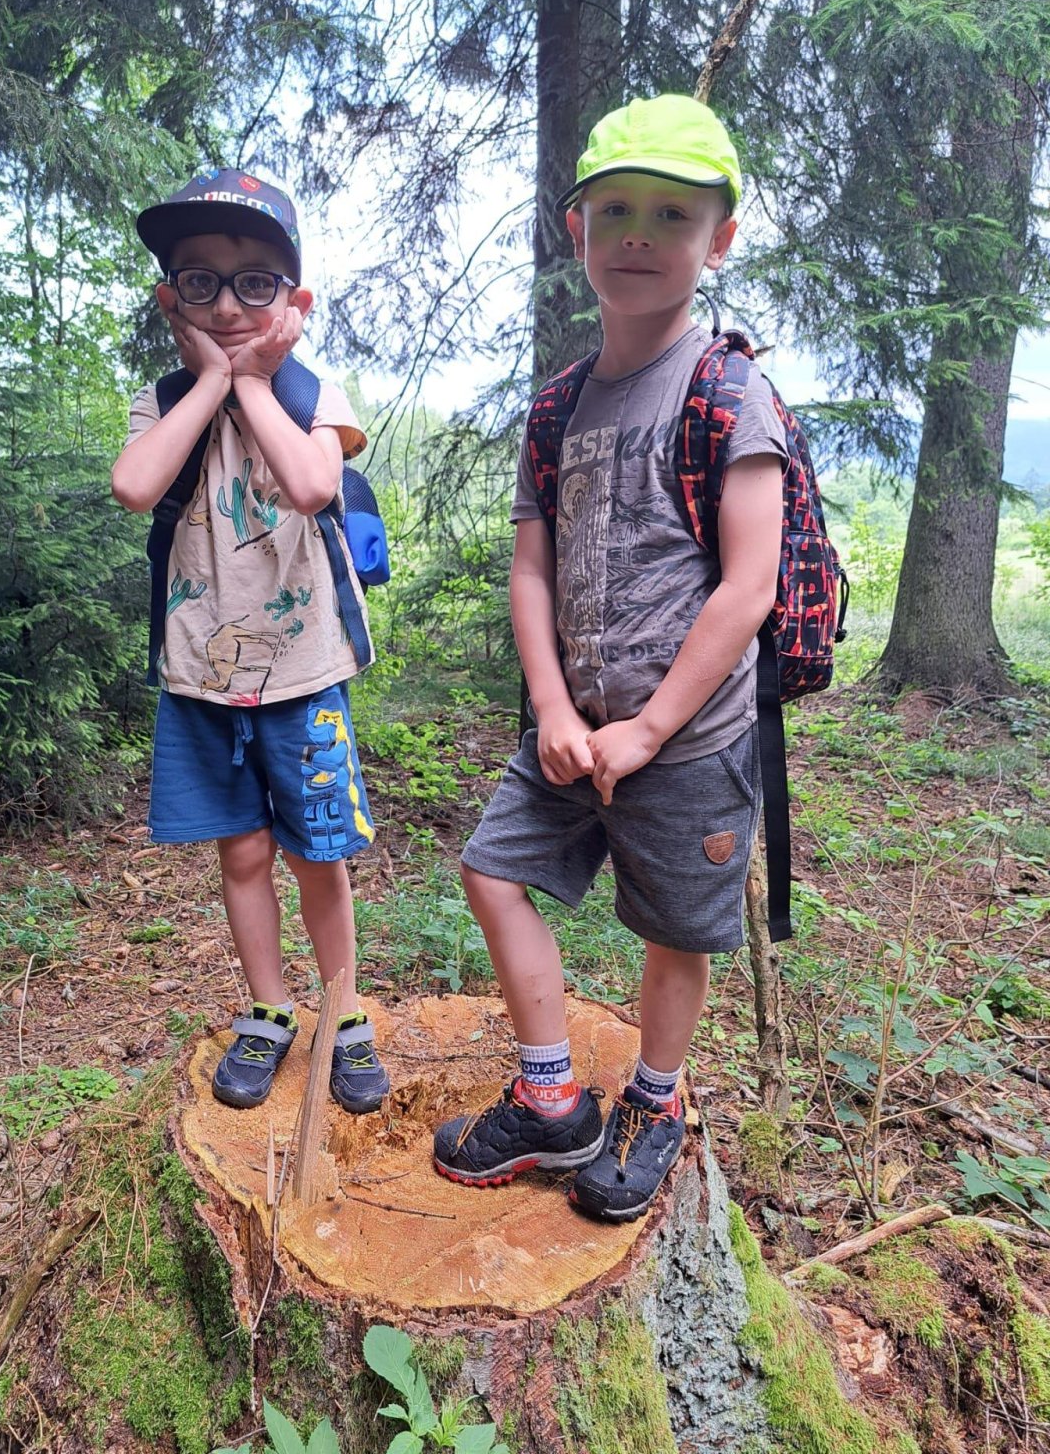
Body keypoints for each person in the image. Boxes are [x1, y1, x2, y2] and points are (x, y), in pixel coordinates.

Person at [433, 96, 787, 1219]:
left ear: (719, 240)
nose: (639, 235)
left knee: (675, 929)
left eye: (673, 215)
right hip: (574, 729)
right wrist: (552, 704)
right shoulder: (556, 409)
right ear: (576, 228)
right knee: (493, 871)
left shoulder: (729, 394)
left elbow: (748, 586)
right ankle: (551, 1098)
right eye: (617, 210)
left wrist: (651, 725)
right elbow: (531, 569)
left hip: (690, 741)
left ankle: (656, 1099)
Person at [112, 168, 389, 1115]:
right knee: (240, 857)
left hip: (304, 674)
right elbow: (135, 486)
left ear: (295, 303)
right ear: (171, 300)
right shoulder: (163, 400)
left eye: (255, 283)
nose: (228, 305)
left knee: (320, 857)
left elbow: (312, 484)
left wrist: (255, 381)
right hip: (202, 676)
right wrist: (211, 381)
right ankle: (270, 1009)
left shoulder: (314, 393)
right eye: (201, 282)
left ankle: (343, 1013)